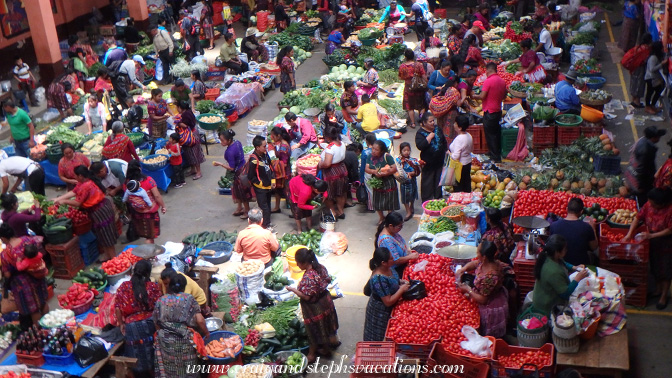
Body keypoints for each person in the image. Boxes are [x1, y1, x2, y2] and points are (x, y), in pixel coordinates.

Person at [285, 248, 339, 363]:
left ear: (304, 263)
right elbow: (326, 281)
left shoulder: (309, 277)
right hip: (325, 301)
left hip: (315, 308)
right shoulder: (320, 267)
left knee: (314, 330)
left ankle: (311, 354)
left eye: (298, 263)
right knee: (325, 325)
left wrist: (293, 289)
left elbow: (306, 297)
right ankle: (326, 348)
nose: (298, 265)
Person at [52, 166, 119, 261]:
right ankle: (107, 256)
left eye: (75, 176)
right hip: (96, 211)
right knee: (101, 235)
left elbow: (77, 203)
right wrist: (58, 199)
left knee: (106, 235)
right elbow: (74, 192)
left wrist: (64, 201)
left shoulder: (86, 186)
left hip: (101, 211)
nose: (74, 177)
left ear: (80, 176)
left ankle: (114, 259)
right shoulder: (82, 182)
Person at [623, 188, 672, 309]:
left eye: (654, 204)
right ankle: (658, 289)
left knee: (666, 271)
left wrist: (651, 235)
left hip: (666, 245)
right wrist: (629, 234)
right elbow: (638, 218)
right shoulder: (648, 205)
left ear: (662, 204)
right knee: (654, 267)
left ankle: (664, 296)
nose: (651, 205)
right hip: (651, 242)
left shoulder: (670, 210)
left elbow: (670, 229)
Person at [153, 274, 210, 378]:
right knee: (189, 367)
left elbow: (156, 322)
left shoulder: (161, 300)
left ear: (169, 286)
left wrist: (161, 336)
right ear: (184, 286)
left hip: (165, 341)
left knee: (170, 367)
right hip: (184, 339)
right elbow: (200, 320)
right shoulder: (188, 298)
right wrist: (206, 332)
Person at [115, 260, 163, 376]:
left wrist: (121, 324)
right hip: (150, 325)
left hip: (132, 328)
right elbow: (160, 306)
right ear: (148, 273)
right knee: (152, 353)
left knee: (135, 356)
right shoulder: (152, 286)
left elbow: (117, 308)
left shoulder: (124, 287)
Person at [456, 240, 511, 337]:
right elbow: (475, 264)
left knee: (488, 336)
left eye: (477, 252)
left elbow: (483, 299)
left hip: (490, 304)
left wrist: (467, 289)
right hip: (481, 293)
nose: (476, 254)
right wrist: (464, 269)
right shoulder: (486, 262)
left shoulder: (490, 277)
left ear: (484, 257)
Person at [0, 224, 48, 326]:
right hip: (37, 275)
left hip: (23, 284)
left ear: (3, 238)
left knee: (34, 310)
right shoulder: (28, 239)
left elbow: (7, 274)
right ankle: (51, 325)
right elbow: (38, 252)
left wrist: (5, 286)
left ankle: (43, 332)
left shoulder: (5, 254)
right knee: (43, 302)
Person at [531, 234, 589, 316]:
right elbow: (565, 294)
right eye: (565, 249)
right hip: (547, 306)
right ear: (557, 252)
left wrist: (574, 267)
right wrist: (577, 279)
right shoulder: (553, 271)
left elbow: (563, 263)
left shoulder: (550, 256)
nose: (566, 251)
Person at [363, 247, 410, 341]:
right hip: (380, 311)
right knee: (377, 336)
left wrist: (400, 282)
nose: (394, 259)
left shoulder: (389, 268)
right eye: (391, 258)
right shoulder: (378, 279)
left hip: (388, 305)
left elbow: (392, 280)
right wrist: (401, 289)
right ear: (383, 263)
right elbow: (388, 302)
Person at [126, 161, 167, 244]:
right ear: (139, 169)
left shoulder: (128, 183)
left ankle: (151, 253)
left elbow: (127, 198)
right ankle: (150, 255)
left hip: (137, 212)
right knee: (150, 236)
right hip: (150, 213)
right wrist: (163, 206)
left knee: (146, 233)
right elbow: (157, 196)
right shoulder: (148, 180)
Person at [549, 198, 598, 266]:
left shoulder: (554, 226)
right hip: (580, 267)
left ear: (566, 209)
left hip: (560, 265)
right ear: (581, 212)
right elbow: (594, 247)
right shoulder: (586, 227)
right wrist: (593, 229)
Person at [625, 126, 666, 206]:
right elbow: (642, 170)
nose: (659, 138)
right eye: (658, 136)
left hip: (634, 172)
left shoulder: (642, 140)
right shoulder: (647, 150)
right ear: (653, 138)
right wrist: (641, 186)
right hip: (641, 179)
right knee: (642, 198)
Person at [214, 129, 252, 218]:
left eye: (223, 140)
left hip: (238, 173)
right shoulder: (237, 142)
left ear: (229, 140)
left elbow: (231, 167)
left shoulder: (230, 152)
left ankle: (246, 210)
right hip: (243, 168)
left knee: (242, 192)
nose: (221, 142)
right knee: (237, 190)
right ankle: (239, 207)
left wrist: (220, 164)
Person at [474, 62, 507, 162]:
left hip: (489, 111)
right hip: (498, 110)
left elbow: (482, 96)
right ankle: (495, 152)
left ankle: (495, 157)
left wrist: (473, 96)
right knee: (496, 133)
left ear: (488, 70)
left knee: (490, 135)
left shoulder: (488, 81)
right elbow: (504, 96)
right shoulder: (502, 81)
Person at [365, 140, 400, 224]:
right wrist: (374, 172)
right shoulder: (370, 156)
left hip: (388, 181)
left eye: (376, 149)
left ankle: (390, 218)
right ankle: (381, 217)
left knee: (389, 201)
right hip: (376, 181)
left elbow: (394, 168)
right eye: (373, 148)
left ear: (381, 151)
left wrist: (384, 173)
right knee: (377, 201)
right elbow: (366, 169)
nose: (373, 151)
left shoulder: (387, 156)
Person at [415, 111, 446, 202]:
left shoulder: (437, 129)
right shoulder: (420, 133)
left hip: (439, 161)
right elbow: (420, 146)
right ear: (424, 123)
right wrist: (429, 138)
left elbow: (443, 141)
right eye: (430, 121)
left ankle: (438, 198)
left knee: (438, 180)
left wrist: (446, 150)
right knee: (427, 182)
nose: (433, 123)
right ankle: (427, 200)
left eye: (433, 121)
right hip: (428, 162)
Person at [318, 127, 348, 219]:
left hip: (331, 173)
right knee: (340, 192)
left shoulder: (330, 148)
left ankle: (333, 212)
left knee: (328, 194)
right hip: (342, 170)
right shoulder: (342, 143)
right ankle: (340, 211)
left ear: (327, 137)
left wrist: (319, 164)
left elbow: (327, 163)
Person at [249, 136, 276, 228]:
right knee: (264, 207)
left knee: (268, 205)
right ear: (257, 147)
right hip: (261, 188)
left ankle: (267, 222)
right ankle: (265, 225)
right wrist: (260, 183)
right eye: (264, 146)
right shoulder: (253, 160)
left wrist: (273, 180)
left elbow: (271, 167)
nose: (266, 148)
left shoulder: (265, 154)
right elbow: (250, 176)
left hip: (268, 186)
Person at [175, 101, 205, 180]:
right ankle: (193, 169)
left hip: (191, 135)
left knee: (194, 154)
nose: (177, 109)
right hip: (190, 134)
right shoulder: (188, 111)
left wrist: (178, 123)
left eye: (177, 107)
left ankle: (198, 172)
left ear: (181, 108)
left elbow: (185, 125)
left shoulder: (185, 114)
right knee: (189, 154)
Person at [399, 49, 427, 129]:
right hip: (418, 87)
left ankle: (413, 123)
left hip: (408, 88)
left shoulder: (402, 66)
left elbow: (400, 77)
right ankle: (422, 121)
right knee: (421, 105)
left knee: (410, 106)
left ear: (405, 57)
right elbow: (423, 75)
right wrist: (426, 83)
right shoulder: (418, 65)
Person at [268, 127, 292, 214]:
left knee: (287, 192)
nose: (272, 137)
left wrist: (274, 164)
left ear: (278, 136)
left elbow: (284, 163)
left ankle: (295, 212)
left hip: (284, 173)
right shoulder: (282, 144)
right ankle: (276, 207)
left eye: (273, 136)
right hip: (283, 171)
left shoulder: (283, 147)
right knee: (277, 190)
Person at [626, 33, 653, 109]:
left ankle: (633, 99)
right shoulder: (646, 50)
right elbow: (645, 61)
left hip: (634, 68)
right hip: (640, 69)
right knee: (639, 84)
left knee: (634, 82)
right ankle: (637, 102)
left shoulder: (639, 47)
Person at [449, 114, 474, 193]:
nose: (454, 125)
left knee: (459, 188)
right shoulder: (469, 135)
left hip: (460, 166)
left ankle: (459, 204)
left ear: (459, 127)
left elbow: (456, 156)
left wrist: (449, 154)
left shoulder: (459, 139)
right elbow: (471, 149)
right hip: (467, 163)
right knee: (466, 184)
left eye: (455, 123)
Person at [396, 143, 420, 221]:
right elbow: (397, 171)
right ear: (401, 151)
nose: (406, 152)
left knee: (412, 194)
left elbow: (416, 172)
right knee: (405, 197)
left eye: (408, 150)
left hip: (412, 181)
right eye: (404, 150)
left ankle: (411, 206)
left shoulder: (413, 161)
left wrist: (410, 173)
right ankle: (408, 211)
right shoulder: (398, 161)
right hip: (404, 182)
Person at [644, 41, 668, 115]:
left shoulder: (657, 56)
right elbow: (652, 69)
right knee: (650, 92)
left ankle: (652, 105)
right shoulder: (653, 58)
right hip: (651, 78)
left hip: (655, 78)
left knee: (658, 90)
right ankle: (648, 107)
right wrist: (662, 64)